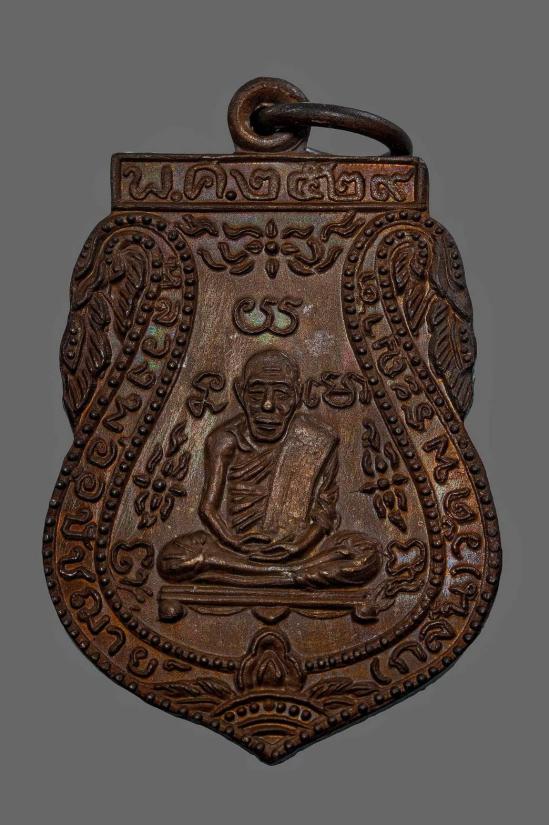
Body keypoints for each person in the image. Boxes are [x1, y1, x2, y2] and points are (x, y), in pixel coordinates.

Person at [157, 348, 381, 589]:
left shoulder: (317, 440)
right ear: (240, 392)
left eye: (282, 393)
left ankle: (253, 575)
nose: (267, 404)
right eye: (256, 392)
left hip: (294, 550)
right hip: (233, 547)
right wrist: (234, 542)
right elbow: (208, 508)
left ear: (298, 395)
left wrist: (299, 546)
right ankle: (288, 577)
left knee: (366, 555)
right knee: (173, 559)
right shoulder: (223, 439)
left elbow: (324, 511)